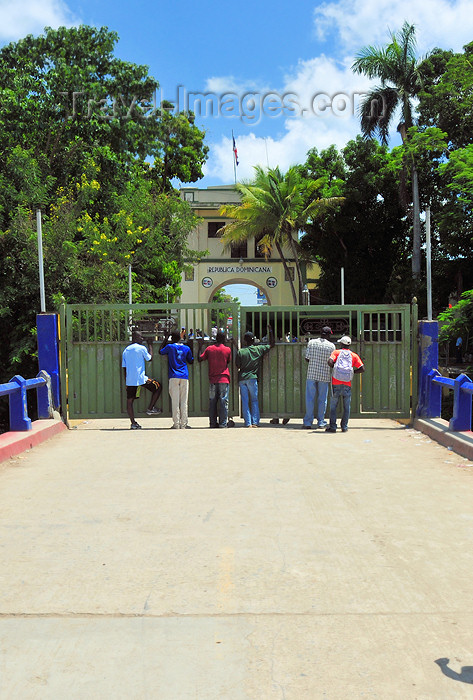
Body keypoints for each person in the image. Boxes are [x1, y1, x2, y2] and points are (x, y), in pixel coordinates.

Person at [122, 330, 162, 430]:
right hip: (141, 379)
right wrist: (150, 345)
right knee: (158, 386)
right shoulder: (141, 348)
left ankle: (133, 423)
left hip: (130, 380)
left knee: (129, 402)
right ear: (136, 338)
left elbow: (124, 368)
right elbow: (150, 358)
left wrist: (126, 381)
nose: (142, 339)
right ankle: (150, 408)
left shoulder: (126, 350)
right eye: (140, 337)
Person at [236, 325, 275, 427]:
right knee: (254, 400)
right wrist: (270, 331)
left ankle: (248, 423)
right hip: (253, 378)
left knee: (245, 401)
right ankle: (255, 422)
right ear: (254, 340)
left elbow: (238, 365)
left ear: (245, 341)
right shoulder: (259, 349)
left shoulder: (241, 351)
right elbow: (272, 344)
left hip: (242, 378)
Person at [326, 335, 364, 433]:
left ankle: (333, 427)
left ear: (341, 344)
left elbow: (329, 361)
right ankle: (344, 427)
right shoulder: (354, 355)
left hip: (336, 382)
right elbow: (362, 369)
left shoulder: (336, 352)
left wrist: (335, 368)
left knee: (333, 406)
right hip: (347, 384)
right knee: (347, 407)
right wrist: (352, 372)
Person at [302, 325, 336, 429]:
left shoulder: (311, 342)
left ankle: (308, 422)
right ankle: (321, 421)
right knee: (322, 399)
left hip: (312, 374)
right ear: (329, 335)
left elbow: (307, 358)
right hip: (324, 375)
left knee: (310, 399)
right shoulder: (331, 346)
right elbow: (332, 361)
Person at [159, 330, 194, 429]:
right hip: (184, 376)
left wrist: (165, 339)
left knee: (175, 400)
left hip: (173, 376)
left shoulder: (170, 347)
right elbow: (191, 360)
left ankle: (176, 424)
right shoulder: (186, 348)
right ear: (180, 338)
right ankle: (184, 423)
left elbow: (160, 351)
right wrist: (190, 345)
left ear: (172, 338)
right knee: (184, 401)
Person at [198, 330, 232, 428]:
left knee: (212, 402)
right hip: (224, 379)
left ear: (215, 339)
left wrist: (200, 346)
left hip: (213, 380)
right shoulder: (227, 349)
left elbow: (200, 358)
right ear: (224, 339)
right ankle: (223, 423)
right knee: (223, 402)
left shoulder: (209, 349)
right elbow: (228, 361)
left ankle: (213, 423)